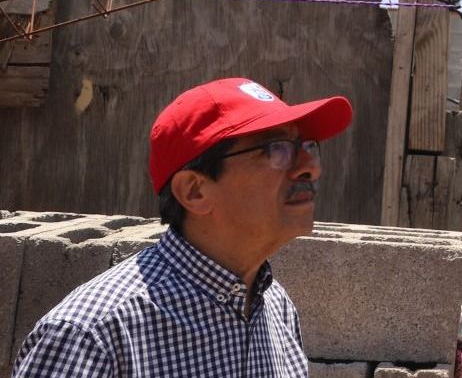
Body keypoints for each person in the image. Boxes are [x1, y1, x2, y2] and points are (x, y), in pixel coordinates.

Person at [13, 78, 353, 377]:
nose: (311, 168)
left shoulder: (275, 306)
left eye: (308, 147)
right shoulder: (92, 336)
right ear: (194, 191)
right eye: (276, 149)